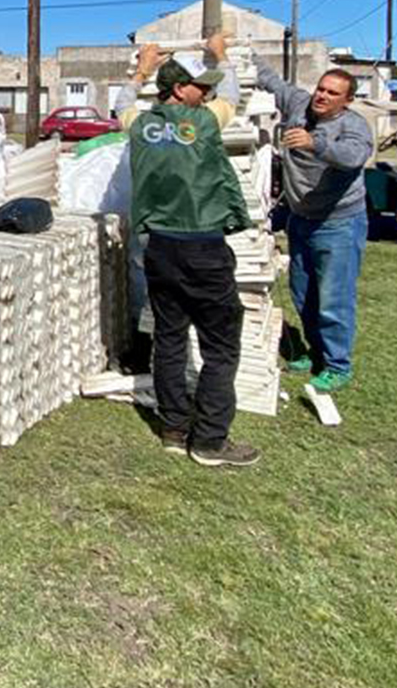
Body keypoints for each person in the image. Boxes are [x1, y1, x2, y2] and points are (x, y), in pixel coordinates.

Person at [128, 33, 259, 468]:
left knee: (168, 337)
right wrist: (219, 53)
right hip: (203, 245)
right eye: (200, 85)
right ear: (179, 88)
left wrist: (142, 69)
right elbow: (235, 96)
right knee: (221, 345)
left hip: (160, 247)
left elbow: (119, 105)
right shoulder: (204, 123)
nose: (207, 92)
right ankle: (209, 442)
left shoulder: (139, 124)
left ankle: (174, 428)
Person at [252, 58, 374, 395]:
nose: (322, 96)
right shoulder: (299, 104)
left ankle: (337, 365)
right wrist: (234, 52)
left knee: (334, 297)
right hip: (301, 220)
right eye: (321, 88)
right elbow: (271, 81)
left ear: (346, 101)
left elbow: (352, 156)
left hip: (339, 224)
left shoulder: (354, 126)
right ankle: (312, 351)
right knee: (303, 292)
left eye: (332, 93)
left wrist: (314, 143)